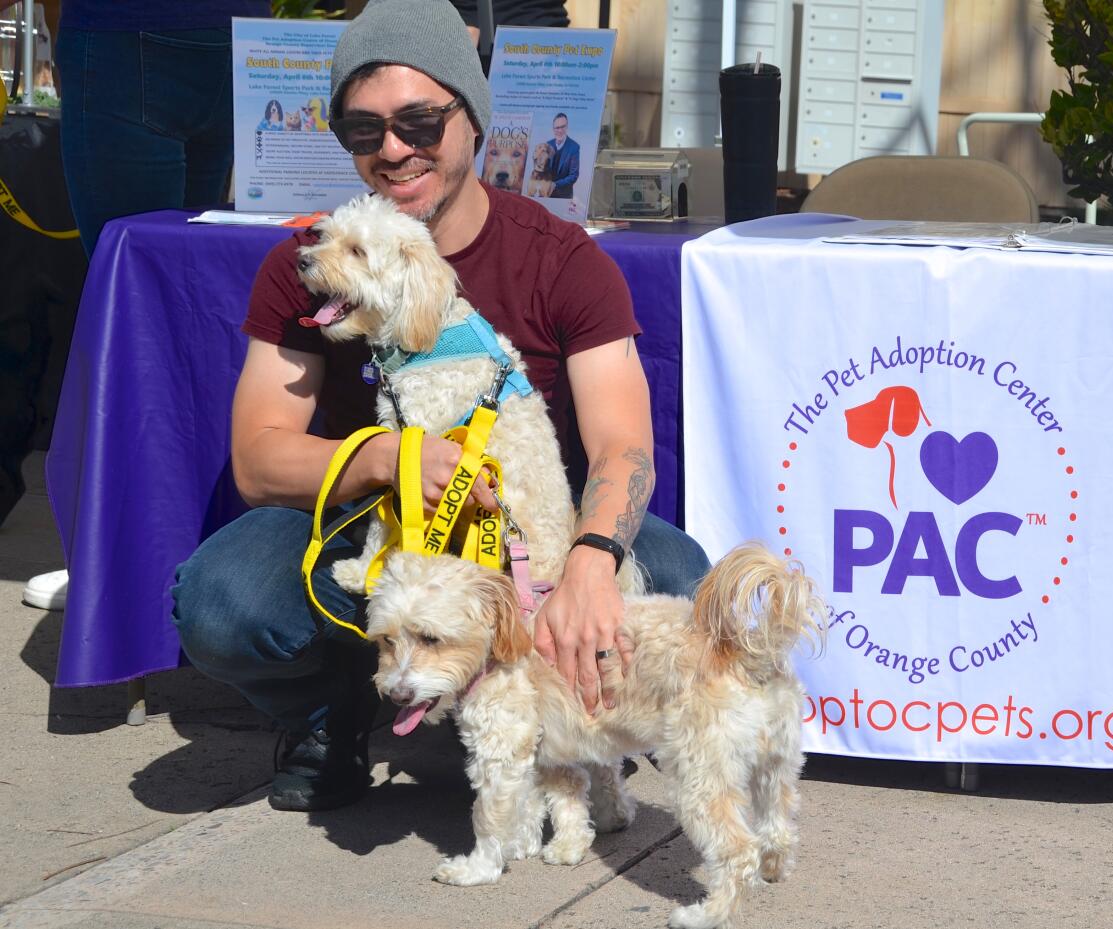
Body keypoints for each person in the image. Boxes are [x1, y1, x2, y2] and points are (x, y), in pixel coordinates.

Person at [171, 0, 710, 814]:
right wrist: (388, 460)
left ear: (473, 118)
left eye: (419, 121)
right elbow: (257, 458)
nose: (393, 150)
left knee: (676, 575)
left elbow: (623, 447)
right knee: (218, 601)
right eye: (363, 130)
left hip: (525, 521)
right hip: (374, 515)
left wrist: (592, 563)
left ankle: (573, 725)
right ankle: (332, 713)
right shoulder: (311, 266)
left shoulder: (563, 260)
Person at [22, 0, 271, 614]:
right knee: (184, 309)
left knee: (127, 313)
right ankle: (184, 549)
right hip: (235, 34)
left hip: (124, 30)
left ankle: (114, 563)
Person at [546, 111, 579, 199]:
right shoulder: (547, 145)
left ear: (567, 127)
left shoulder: (574, 147)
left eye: (563, 127)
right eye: (557, 127)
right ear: (553, 129)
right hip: (546, 194)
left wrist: (555, 184)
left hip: (564, 197)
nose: (560, 130)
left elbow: (573, 176)